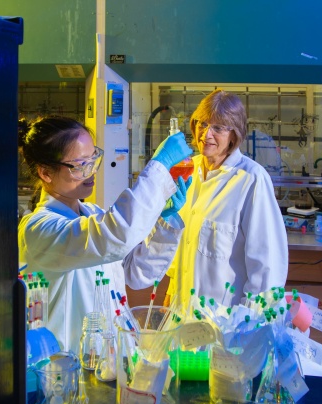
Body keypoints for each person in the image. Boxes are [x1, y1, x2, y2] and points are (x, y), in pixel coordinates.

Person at [18, 115, 192, 351]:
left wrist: (165, 221)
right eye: (81, 166)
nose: (92, 172)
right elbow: (115, 234)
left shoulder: (91, 213)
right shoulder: (38, 230)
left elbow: (136, 273)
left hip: (111, 359)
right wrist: (159, 167)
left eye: (94, 160)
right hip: (71, 364)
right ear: (46, 173)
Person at [164, 89, 288, 312]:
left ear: (234, 134)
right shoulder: (187, 170)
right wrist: (171, 291)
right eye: (202, 124)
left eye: (218, 128)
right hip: (181, 318)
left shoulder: (251, 179)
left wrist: (247, 330)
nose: (206, 134)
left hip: (224, 328)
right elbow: (180, 245)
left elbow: (267, 269)